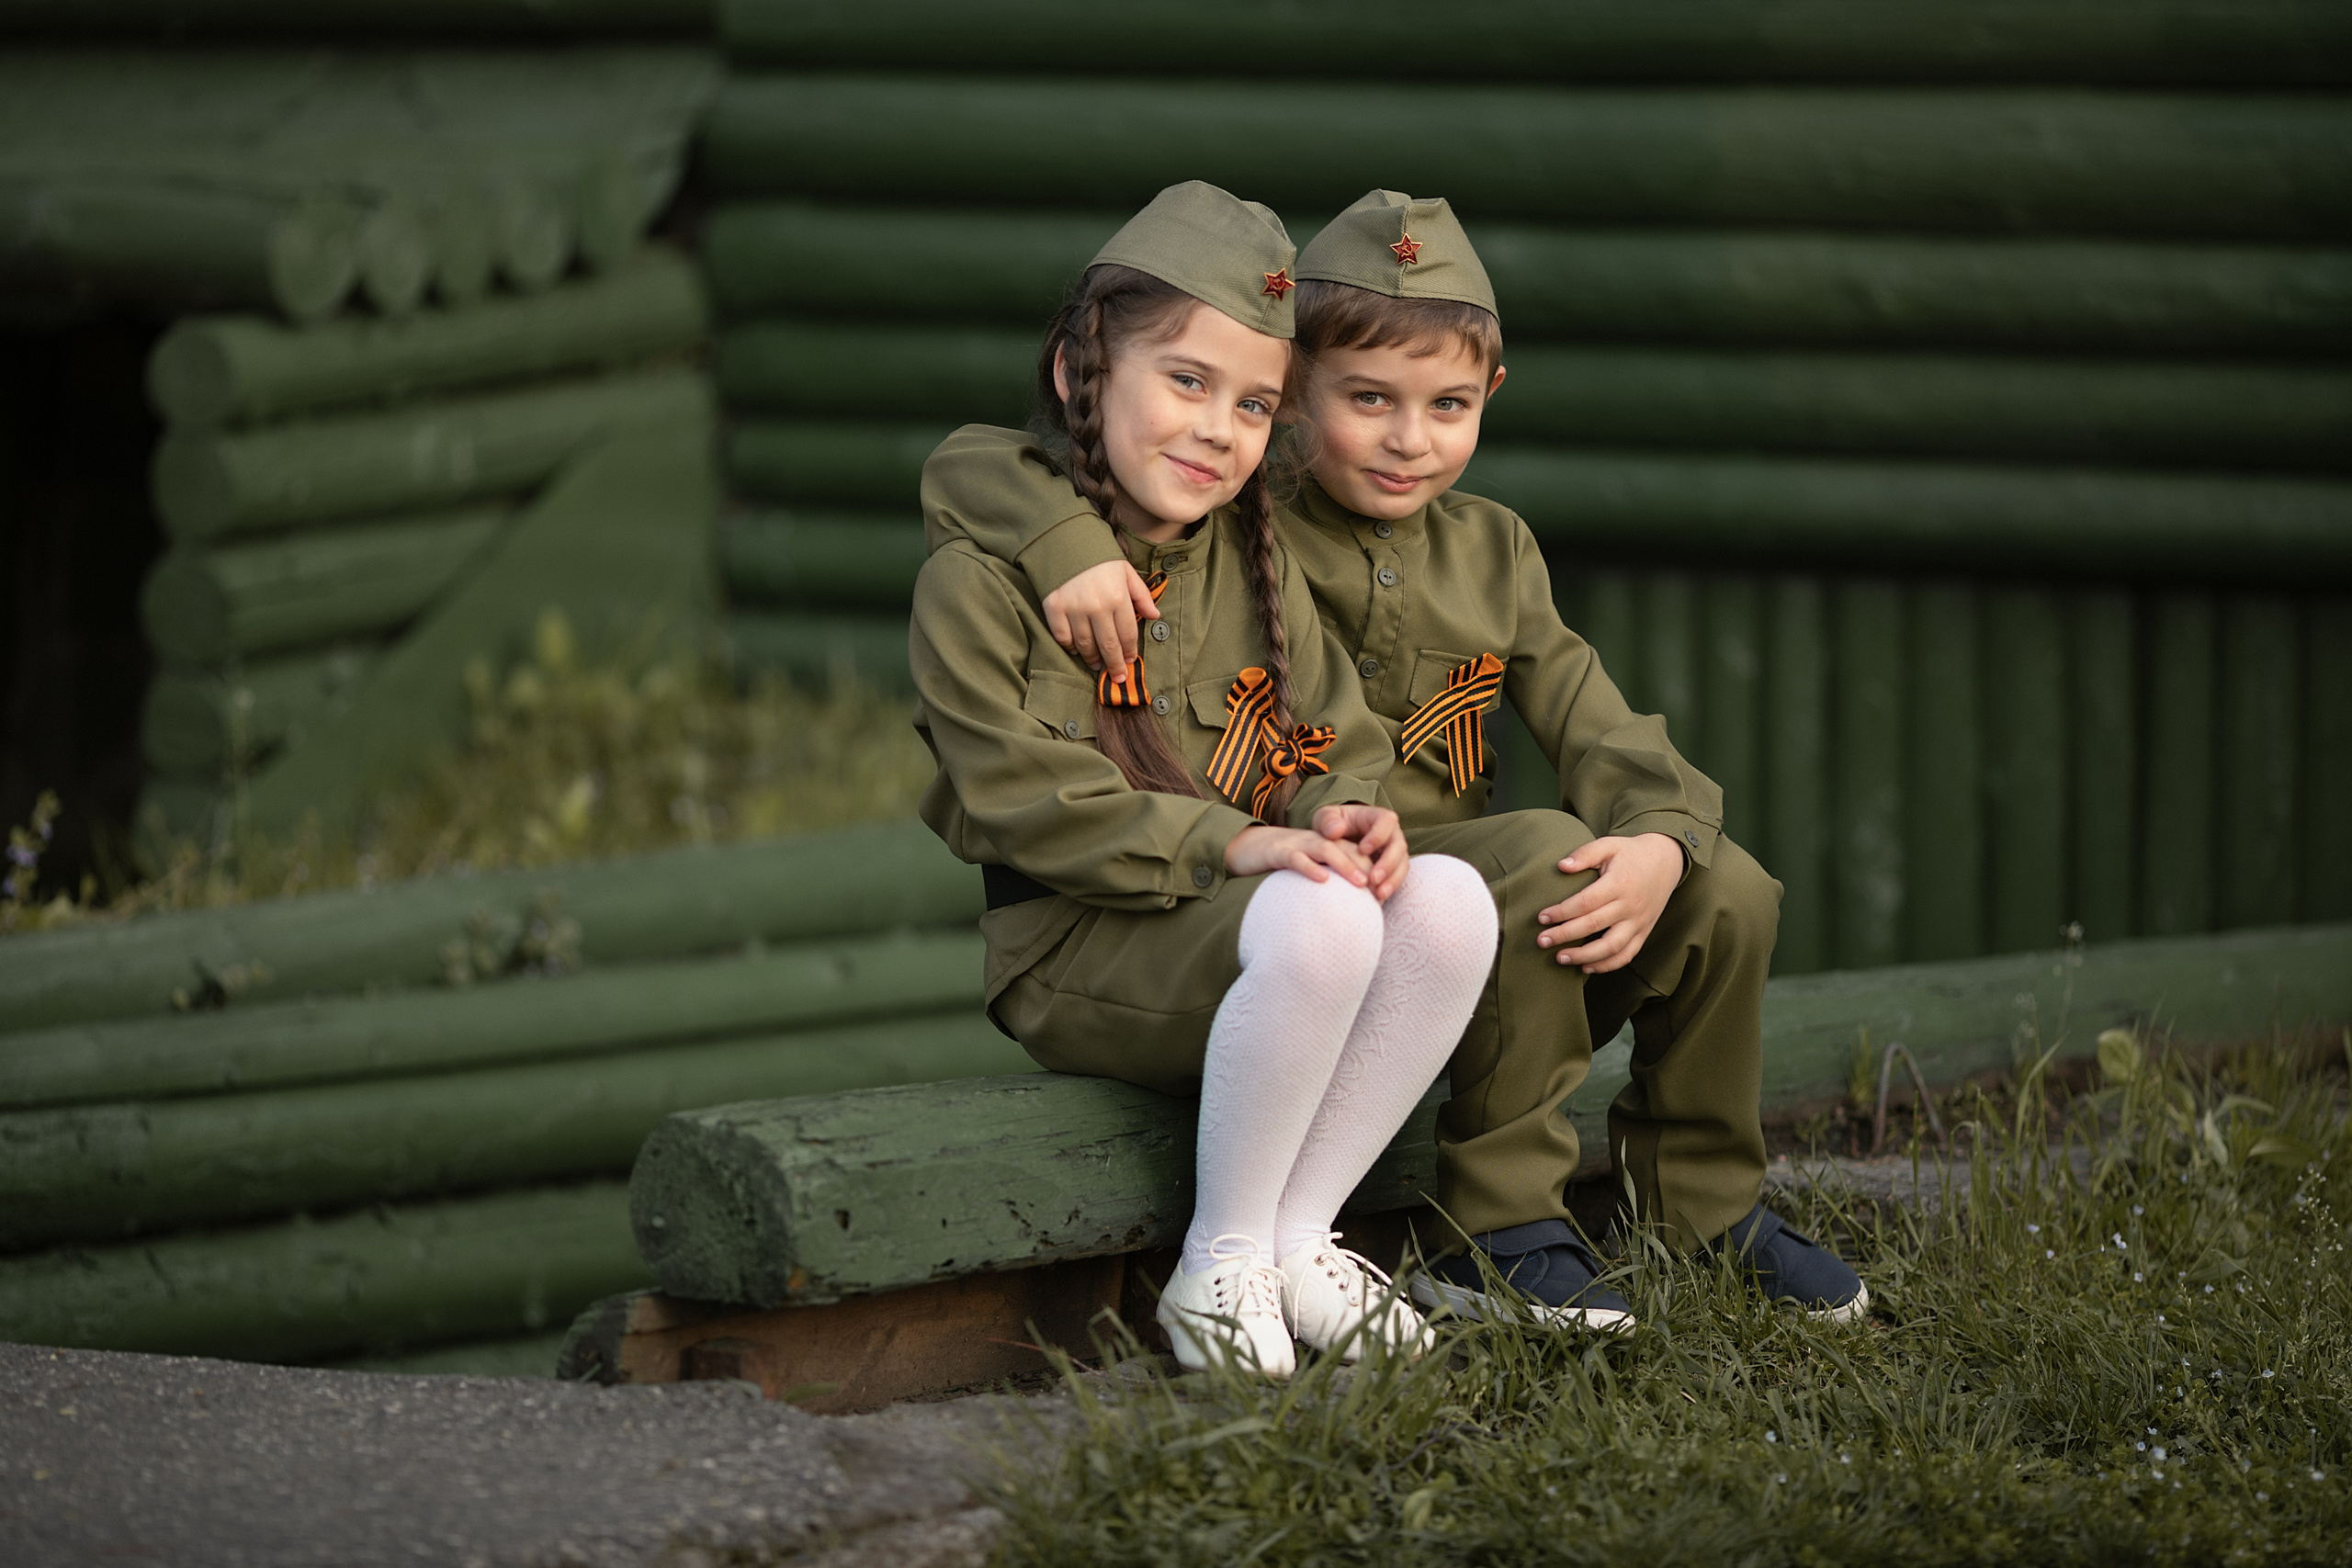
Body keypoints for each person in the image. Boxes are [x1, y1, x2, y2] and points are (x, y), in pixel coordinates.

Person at [925, 190, 1868, 1326]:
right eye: (1364, 397)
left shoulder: (1485, 546)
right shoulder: (1244, 507)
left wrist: (1662, 837)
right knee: (1531, 858)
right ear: (1301, 401)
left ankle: (1703, 1207)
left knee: (1724, 886)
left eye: (1447, 404)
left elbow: (1591, 713)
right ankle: (1496, 1224)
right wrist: (1060, 538)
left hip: (1364, 876)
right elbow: (994, 462)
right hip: (1285, 888)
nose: (1407, 438)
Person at [910, 182, 1501, 1378]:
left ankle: (1294, 1235)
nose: (1218, 429)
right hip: (1077, 944)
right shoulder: (981, 582)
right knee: (1325, 914)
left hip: (1240, 926)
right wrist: (1238, 845)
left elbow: (1330, 732)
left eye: (1255, 405)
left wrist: (1345, 813)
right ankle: (1216, 1261)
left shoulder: (1247, 556)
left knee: (1447, 903)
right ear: (1083, 377)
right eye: (1186, 380)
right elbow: (1019, 796)